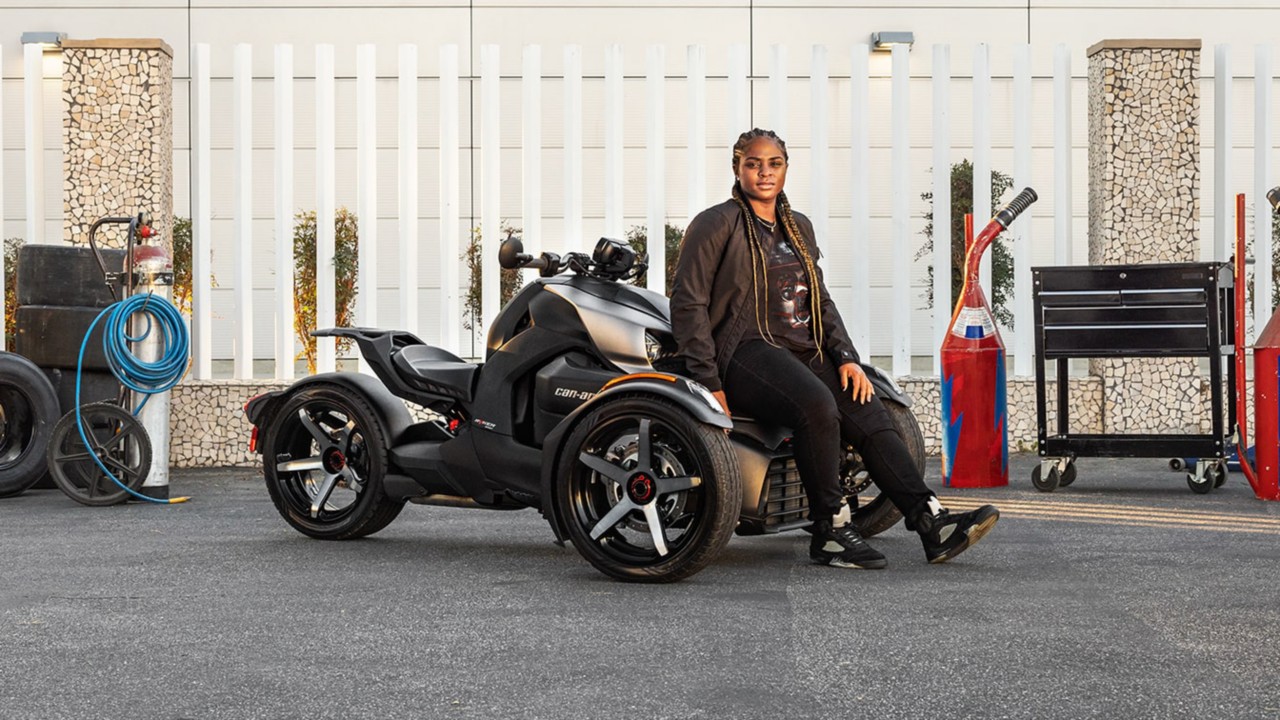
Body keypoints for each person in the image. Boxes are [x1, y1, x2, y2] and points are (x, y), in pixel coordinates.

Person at [669, 128, 999, 569]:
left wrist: (847, 358)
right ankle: (828, 531)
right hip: (745, 350)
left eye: (774, 163)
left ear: (786, 168)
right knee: (816, 406)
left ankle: (930, 521)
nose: (764, 172)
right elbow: (687, 303)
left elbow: (819, 299)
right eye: (753, 163)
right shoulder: (716, 223)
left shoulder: (797, 226)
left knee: (866, 406)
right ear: (737, 169)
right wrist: (709, 382)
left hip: (803, 349)